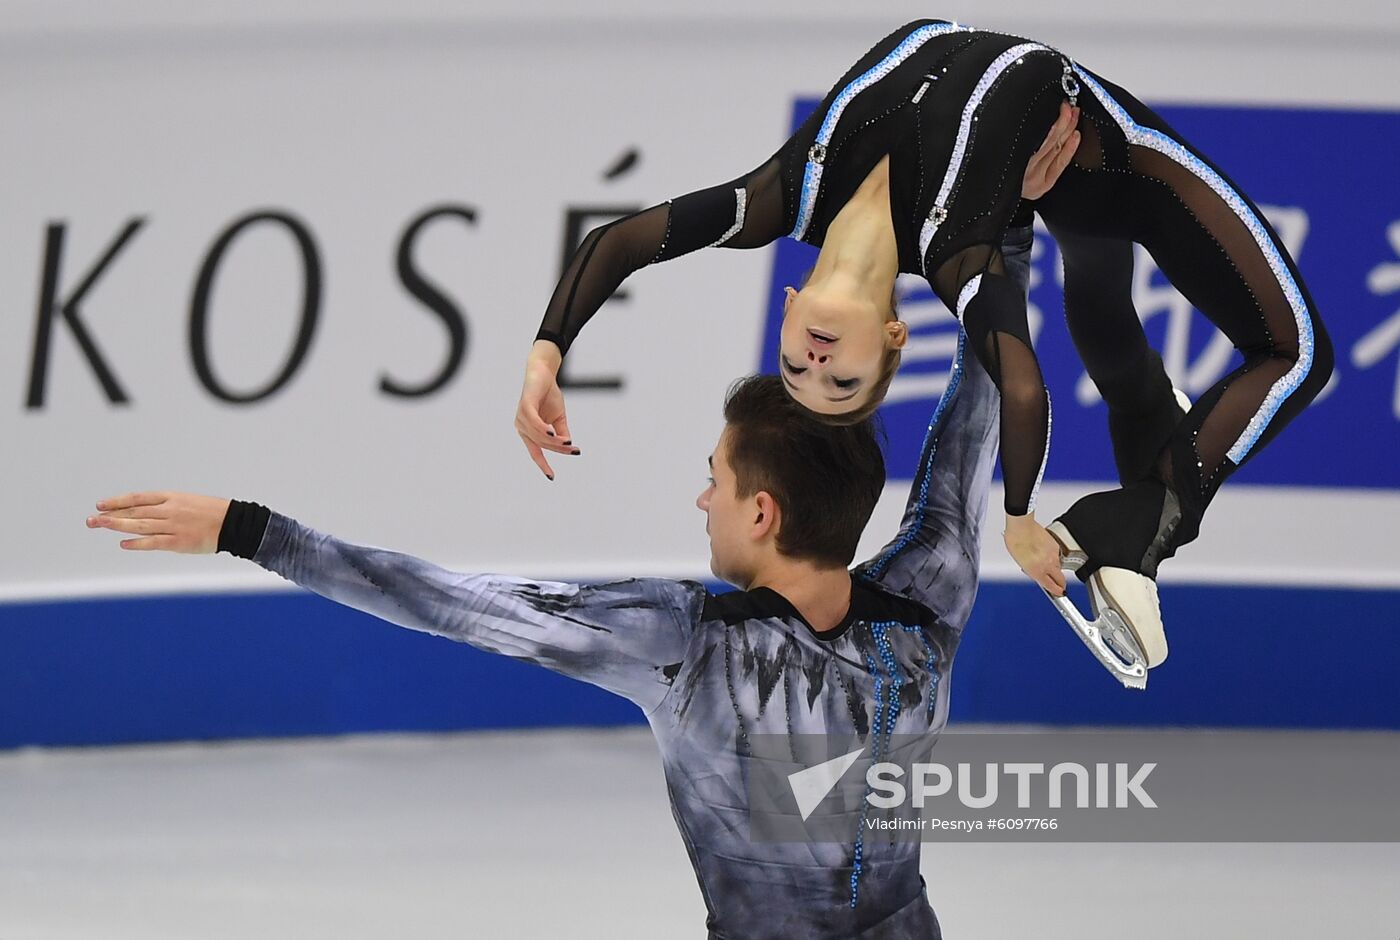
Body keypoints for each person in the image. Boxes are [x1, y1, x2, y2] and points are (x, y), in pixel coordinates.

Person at [84, 231, 1025, 936]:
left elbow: (455, 602)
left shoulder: (687, 646)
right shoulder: (925, 602)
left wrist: (248, 532)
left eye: (717, 478)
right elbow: (979, 404)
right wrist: (996, 225)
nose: (702, 499)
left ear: (763, 514)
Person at [515, 18, 1333, 675]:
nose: (817, 362)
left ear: (789, 309)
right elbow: (1020, 389)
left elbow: (623, 240)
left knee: (1113, 329)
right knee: (1296, 350)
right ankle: (1143, 523)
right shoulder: (954, 258)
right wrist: (1016, 518)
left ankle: (1143, 506)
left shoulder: (779, 198)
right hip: (1111, 160)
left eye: (799, 366)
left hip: (1049, 168)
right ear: (893, 337)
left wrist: (548, 353)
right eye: (841, 381)